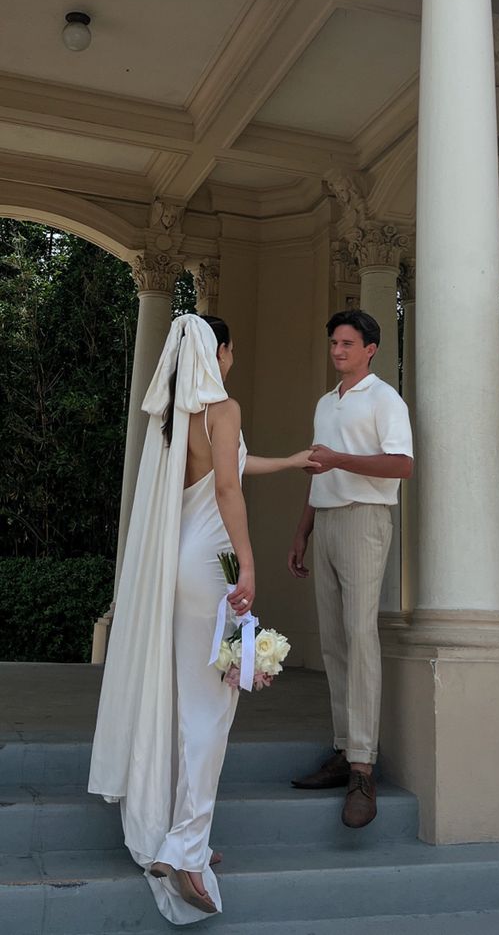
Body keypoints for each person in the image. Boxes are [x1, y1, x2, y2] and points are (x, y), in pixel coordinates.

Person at [88, 313, 315, 924]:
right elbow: (227, 492)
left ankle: (182, 833)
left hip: (179, 562)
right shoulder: (224, 405)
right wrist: (248, 564)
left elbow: (231, 467)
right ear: (221, 352)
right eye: (231, 350)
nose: (232, 359)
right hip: (214, 562)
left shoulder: (175, 415)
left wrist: (293, 461)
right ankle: (186, 849)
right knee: (215, 706)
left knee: (190, 702)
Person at [288, 309, 413, 828]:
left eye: (347, 343)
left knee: (361, 634)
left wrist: (341, 460)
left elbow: (401, 464)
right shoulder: (325, 403)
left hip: (366, 520)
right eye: (333, 342)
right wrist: (302, 530)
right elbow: (319, 471)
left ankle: (363, 765)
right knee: (335, 640)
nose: (337, 350)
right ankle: (343, 749)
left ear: (370, 349)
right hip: (328, 520)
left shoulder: (386, 399)